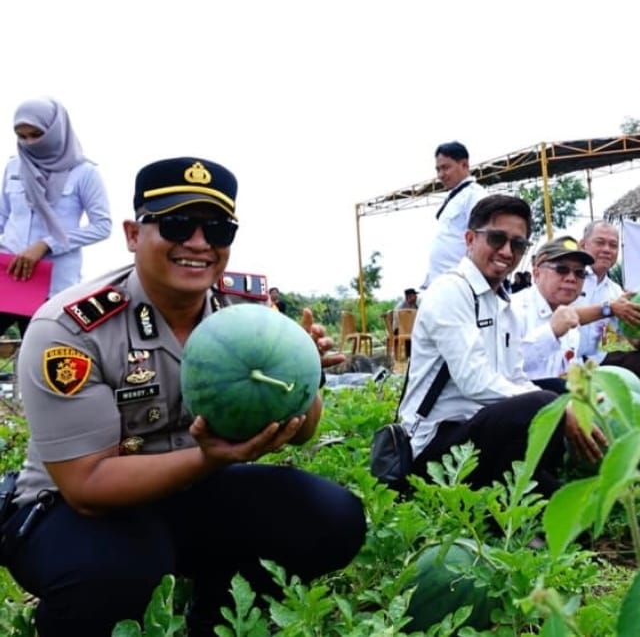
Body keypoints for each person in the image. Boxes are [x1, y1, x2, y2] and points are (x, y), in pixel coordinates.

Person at [0, 157, 366, 637]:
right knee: (116, 570)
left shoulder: (247, 311)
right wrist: (210, 458)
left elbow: (302, 435)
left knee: (329, 517)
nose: (198, 243)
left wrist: (301, 376)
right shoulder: (71, 327)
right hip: (75, 508)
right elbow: (87, 485)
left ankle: (218, 617)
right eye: (176, 224)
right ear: (133, 234)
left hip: (193, 490)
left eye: (217, 229)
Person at [400, 195, 604, 496]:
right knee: (544, 401)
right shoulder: (451, 291)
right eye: (497, 239)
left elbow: (515, 377)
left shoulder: (501, 303)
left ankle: (527, 479)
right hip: (436, 447)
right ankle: (514, 486)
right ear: (470, 239)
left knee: (558, 391)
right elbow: (474, 381)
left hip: (479, 431)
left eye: (518, 244)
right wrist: (555, 408)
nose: (507, 252)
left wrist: (565, 402)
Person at [1, 98, 112, 338]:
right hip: (8, 276)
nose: (29, 142)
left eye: (36, 134)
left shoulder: (84, 172)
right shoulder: (13, 167)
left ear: (55, 131)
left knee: (40, 351)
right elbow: (4, 217)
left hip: (52, 285)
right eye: (22, 136)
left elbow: (102, 226)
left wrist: (47, 244)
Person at [571, 220, 640, 381]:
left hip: (594, 360)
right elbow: (564, 316)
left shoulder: (615, 291)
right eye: (600, 242)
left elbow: (635, 342)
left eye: (613, 245)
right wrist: (609, 308)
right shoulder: (569, 277)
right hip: (561, 359)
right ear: (583, 245)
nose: (607, 249)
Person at [517, 236, 594, 380]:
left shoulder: (571, 317)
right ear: (537, 274)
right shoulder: (513, 311)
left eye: (579, 273)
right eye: (562, 269)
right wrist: (551, 332)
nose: (571, 278)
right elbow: (505, 368)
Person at [423, 141, 488, 289]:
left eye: (446, 168)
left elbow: (482, 240)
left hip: (460, 284)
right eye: (438, 169)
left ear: (464, 165)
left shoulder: (475, 195)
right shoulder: (454, 198)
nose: (441, 175)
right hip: (441, 282)